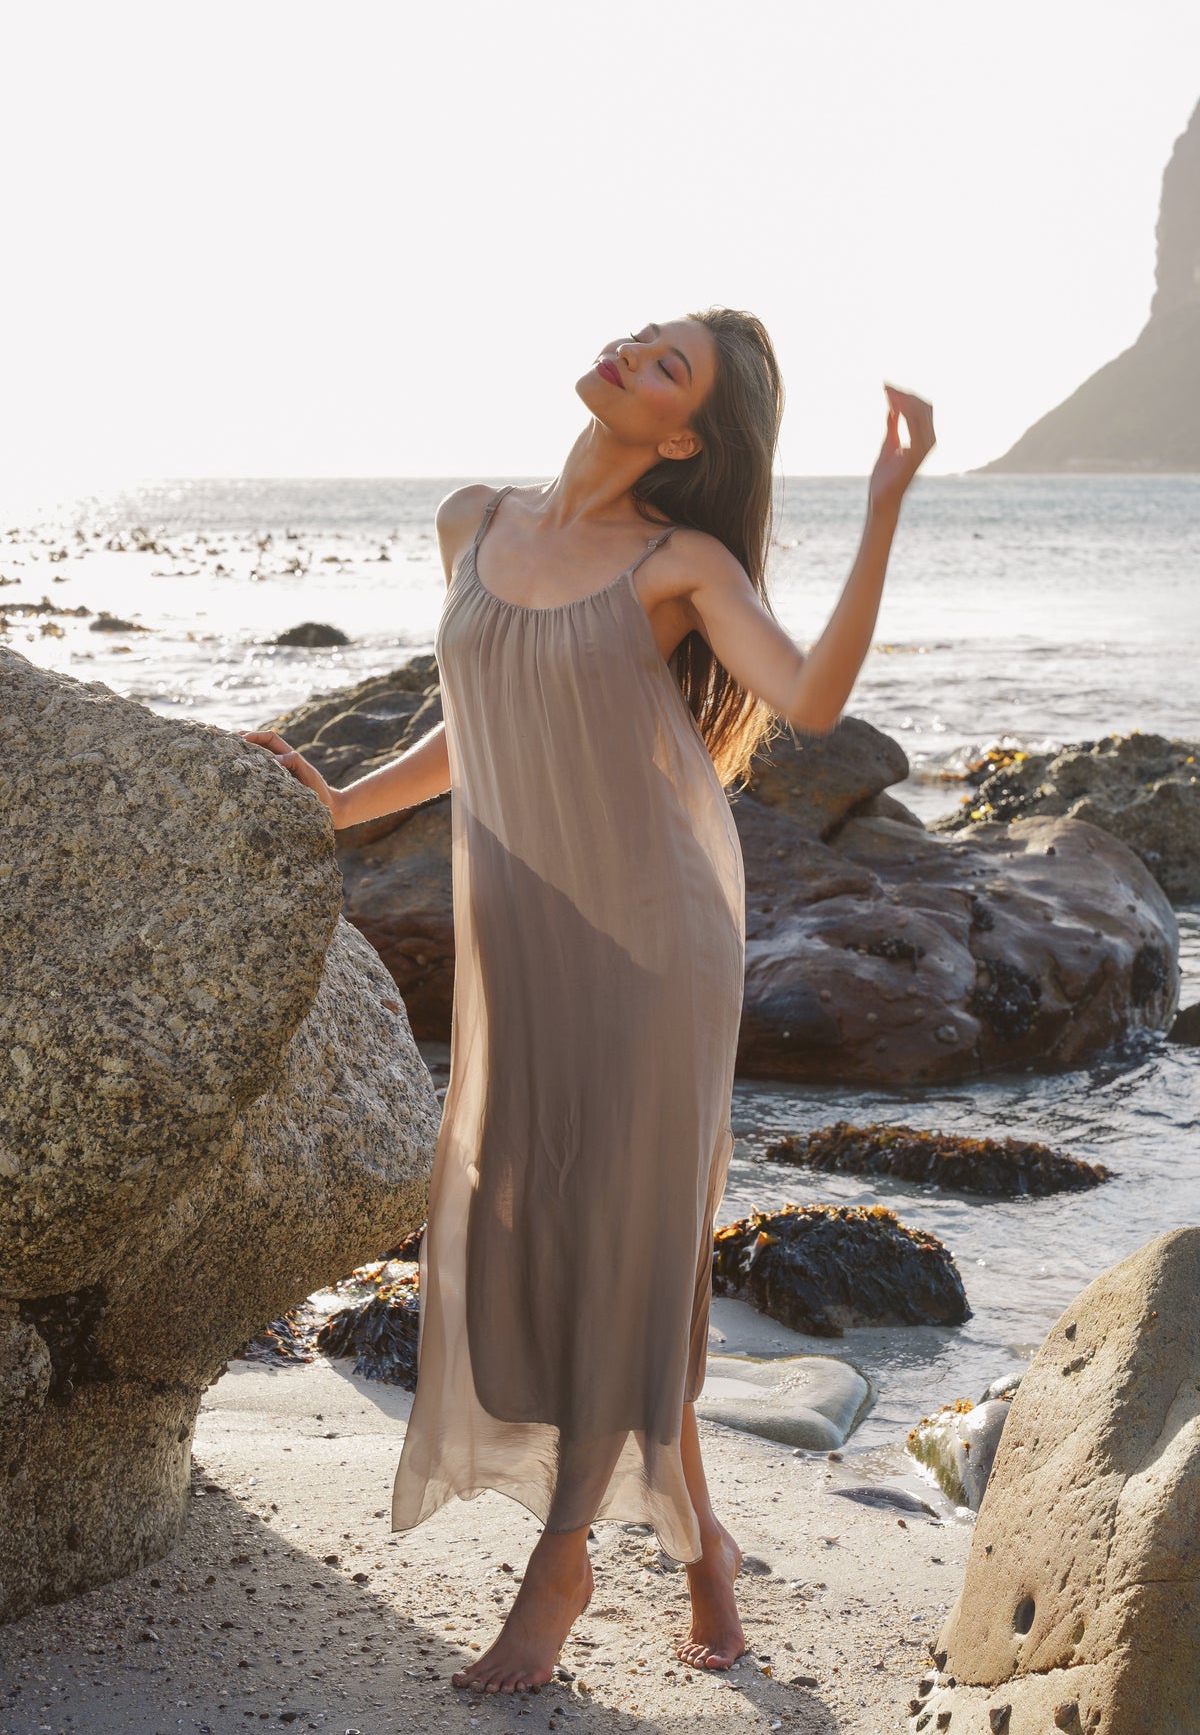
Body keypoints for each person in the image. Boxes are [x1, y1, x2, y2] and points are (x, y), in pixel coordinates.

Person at [242, 307, 934, 1697]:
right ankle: (706, 1549)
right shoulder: (474, 519)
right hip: (528, 930)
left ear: (682, 436)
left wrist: (881, 507)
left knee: (628, 1230)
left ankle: (562, 1567)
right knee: (549, 1219)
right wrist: (340, 807)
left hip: (654, 928)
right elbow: (472, 712)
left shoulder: (680, 561)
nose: (629, 350)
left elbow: (807, 698)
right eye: (642, 332)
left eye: (664, 363)